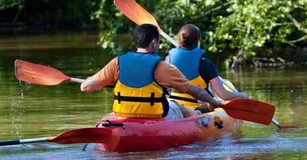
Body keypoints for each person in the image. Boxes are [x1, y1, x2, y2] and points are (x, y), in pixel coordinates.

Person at [80, 23, 225, 120]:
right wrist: (214, 102)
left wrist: (93, 80)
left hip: (124, 115)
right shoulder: (162, 66)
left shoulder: (116, 62)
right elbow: (196, 91)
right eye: (159, 42)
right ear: (154, 42)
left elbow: (85, 87)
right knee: (175, 104)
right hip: (155, 117)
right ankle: (198, 115)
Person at [166, 24, 248, 112]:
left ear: (179, 40)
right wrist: (241, 95)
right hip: (199, 108)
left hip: (174, 106)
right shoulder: (206, 64)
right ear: (198, 41)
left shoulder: (168, 60)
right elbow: (223, 95)